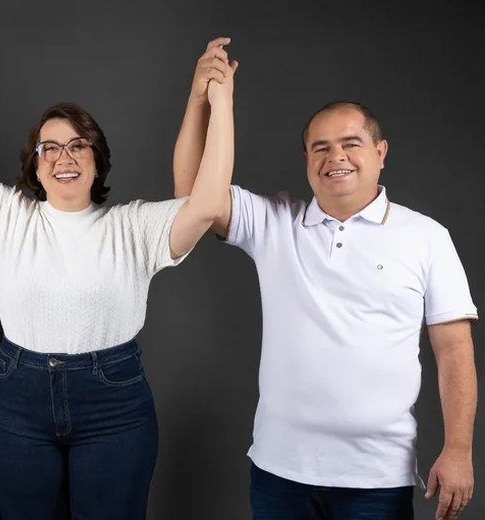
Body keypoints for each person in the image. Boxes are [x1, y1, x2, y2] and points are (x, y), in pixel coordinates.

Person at [0, 9, 238, 519]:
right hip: (17, 402)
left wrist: (213, 101)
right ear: (34, 165)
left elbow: (206, 201)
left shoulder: (133, 227)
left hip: (115, 405)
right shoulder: (7, 216)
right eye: (49, 147)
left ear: (97, 160)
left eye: (78, 145)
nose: (63, 157)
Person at [174, 89, 478, 518]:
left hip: (376, 479)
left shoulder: (426, 236)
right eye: (321, 147)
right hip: (279, 472)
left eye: (350, 143)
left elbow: (455, 350)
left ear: (380, 152)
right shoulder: (276, 223)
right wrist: (207, 103)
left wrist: (459, 450)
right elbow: (193, 200)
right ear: (307, 161)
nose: (336, 156)